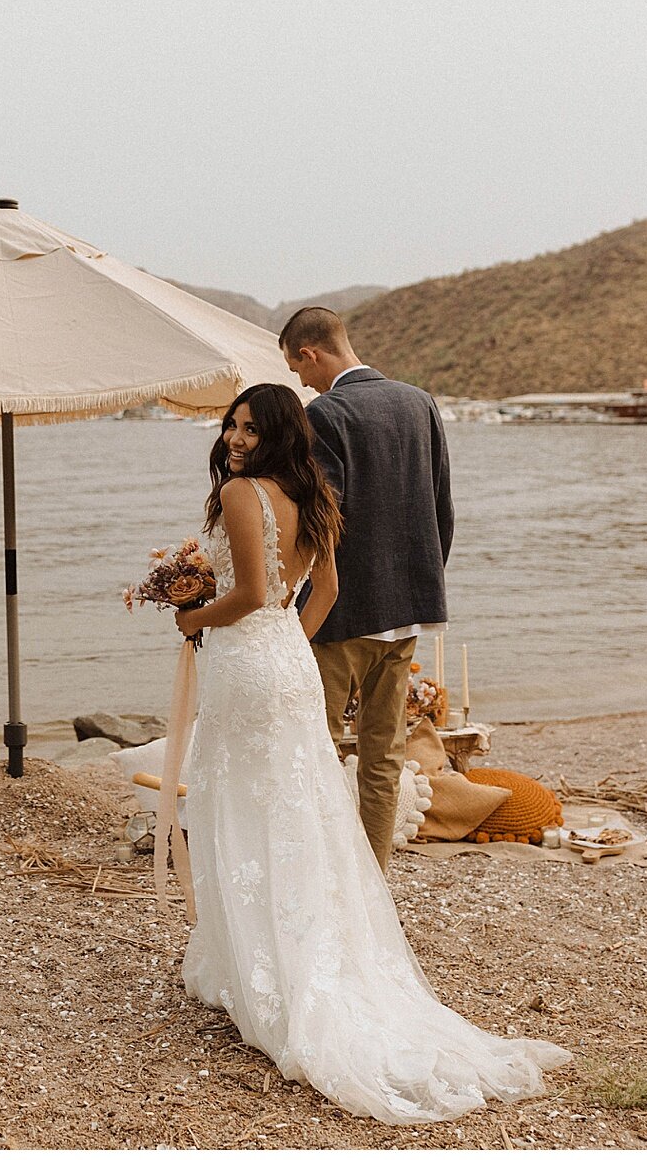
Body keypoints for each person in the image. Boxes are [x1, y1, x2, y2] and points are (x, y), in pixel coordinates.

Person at [172, 383, 568, 1124]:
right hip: (283, 662)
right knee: (297, 807)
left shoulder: (239, 496)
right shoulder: (310, 494)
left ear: (278, 433)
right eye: (231, 425)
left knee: (245, 804)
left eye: (249, 428)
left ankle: (265, 971)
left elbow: (253, 591)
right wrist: (288, 634)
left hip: (248, 667)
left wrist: (192, 614)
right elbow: (323, 590)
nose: (233, 437)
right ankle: (282, 954)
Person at [278, 306, 454, 873]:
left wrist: (292, 601)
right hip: (407, 611)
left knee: (319, 748)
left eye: (297, 368)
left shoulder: (325, 414)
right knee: (384, 755)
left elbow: (323, 521)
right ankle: (373, 879)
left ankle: (322, 872)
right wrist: (419, 585)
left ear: (311, 352)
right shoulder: (419, 401)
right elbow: (441, 508)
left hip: (343, 613)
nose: (300, 382)